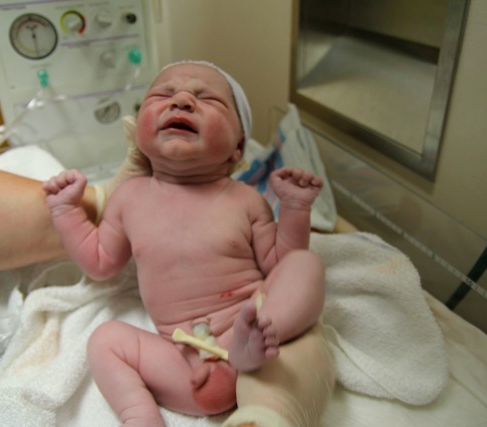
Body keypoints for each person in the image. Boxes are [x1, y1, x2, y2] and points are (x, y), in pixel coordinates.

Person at [42, 61, 327, 426]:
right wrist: (66, 211)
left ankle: (259, 335)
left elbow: (279, 265)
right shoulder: (128, 198)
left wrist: (295, 209)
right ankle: (139, 415)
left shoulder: (245, 200)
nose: (181, 101)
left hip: (257, 336)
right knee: (105, 341)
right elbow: (99, 262)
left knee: (305, 264)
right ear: (138, 133)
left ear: (238, 147)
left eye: (208, 99)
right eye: (162, 95)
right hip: (183, 362)